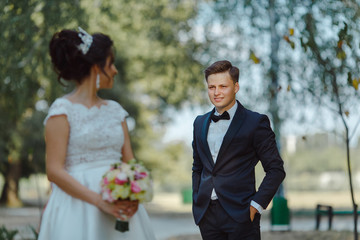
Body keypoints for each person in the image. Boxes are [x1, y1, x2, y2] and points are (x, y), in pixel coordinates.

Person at [38, 27, 156, 240]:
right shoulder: (61, 111)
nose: (115, 70)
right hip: (77, 208)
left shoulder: (115, 111)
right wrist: (99, 201)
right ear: (95, 67)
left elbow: (130, 163)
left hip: (121, 208)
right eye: (110, 63)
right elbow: (54, 170)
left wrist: (134, 196)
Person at [192, 60, 286, 240]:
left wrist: (256, 205)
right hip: (207, 215)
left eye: (223, 86)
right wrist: (197, 201)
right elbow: (197, 167)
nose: (216, 92)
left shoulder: (256, 122)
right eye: (212, 87)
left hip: (242, 214)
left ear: (236, 87)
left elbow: (276, 170)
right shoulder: (199, 123)